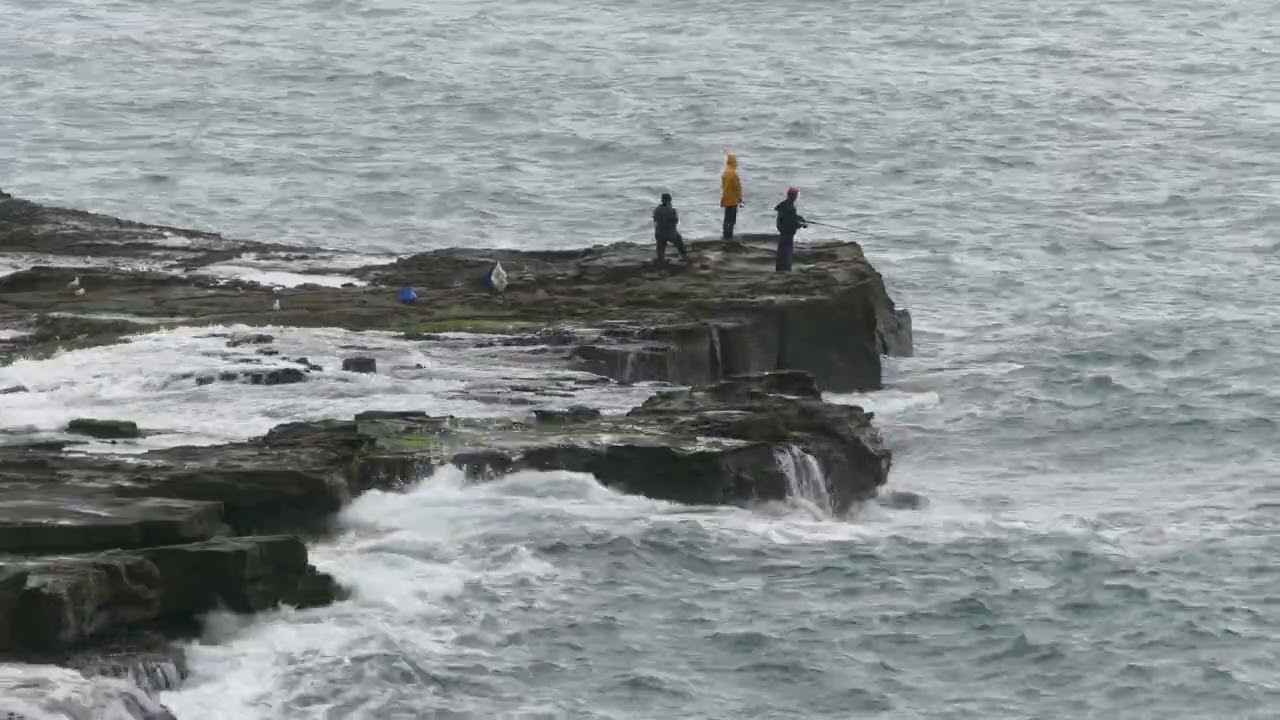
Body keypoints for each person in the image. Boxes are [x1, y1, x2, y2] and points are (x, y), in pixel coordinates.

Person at [773, 186, 807, 272]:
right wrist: (802, 225)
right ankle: (785, 269)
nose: (797, 197)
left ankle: (780, 268)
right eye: (796, 195)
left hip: (783, 231)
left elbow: (789, 217)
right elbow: (792, 223)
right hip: (787, 233)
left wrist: (799, 218)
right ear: (794, 196)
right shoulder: (790, 207)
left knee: (781, 251)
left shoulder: (784, 204)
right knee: (787, 251)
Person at [653, 192, 688, 262]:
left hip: (659, 233)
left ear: (662, 200)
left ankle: (660, 258)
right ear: (669, 200)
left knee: (660, 246)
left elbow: (655, 220)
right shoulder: (672, 210)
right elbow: (676, 221)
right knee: (679, 241)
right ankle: (684, 257)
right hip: (670, 233)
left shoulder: (657, 209)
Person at [720, 153, 743, 239]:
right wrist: (740, 199)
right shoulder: (734, 174)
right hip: (733, 200)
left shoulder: (724, 172)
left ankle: (725, 235)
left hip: (726, 198)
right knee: (732, 220)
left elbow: (723, 186)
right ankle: (729, 236)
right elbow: (738, 187)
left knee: (726, 219)